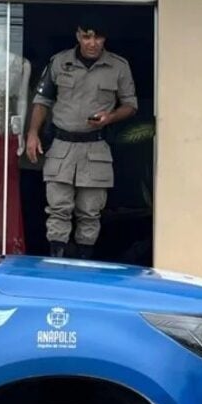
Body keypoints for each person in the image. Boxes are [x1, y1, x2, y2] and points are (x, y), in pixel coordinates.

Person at [25, 18, 137, 259]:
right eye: (87, 37)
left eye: (97, 38)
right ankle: (56, 263)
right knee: (58, 210)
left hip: (95, 147)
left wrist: (110, 117)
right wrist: (33, 133)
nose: (92, 43)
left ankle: (84, 265)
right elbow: (42, 101)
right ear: (78, 36)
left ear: (105, 39)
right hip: (62, 147)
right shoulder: (59, 61)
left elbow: (131, 105)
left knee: (90, 213)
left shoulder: (118, 66)